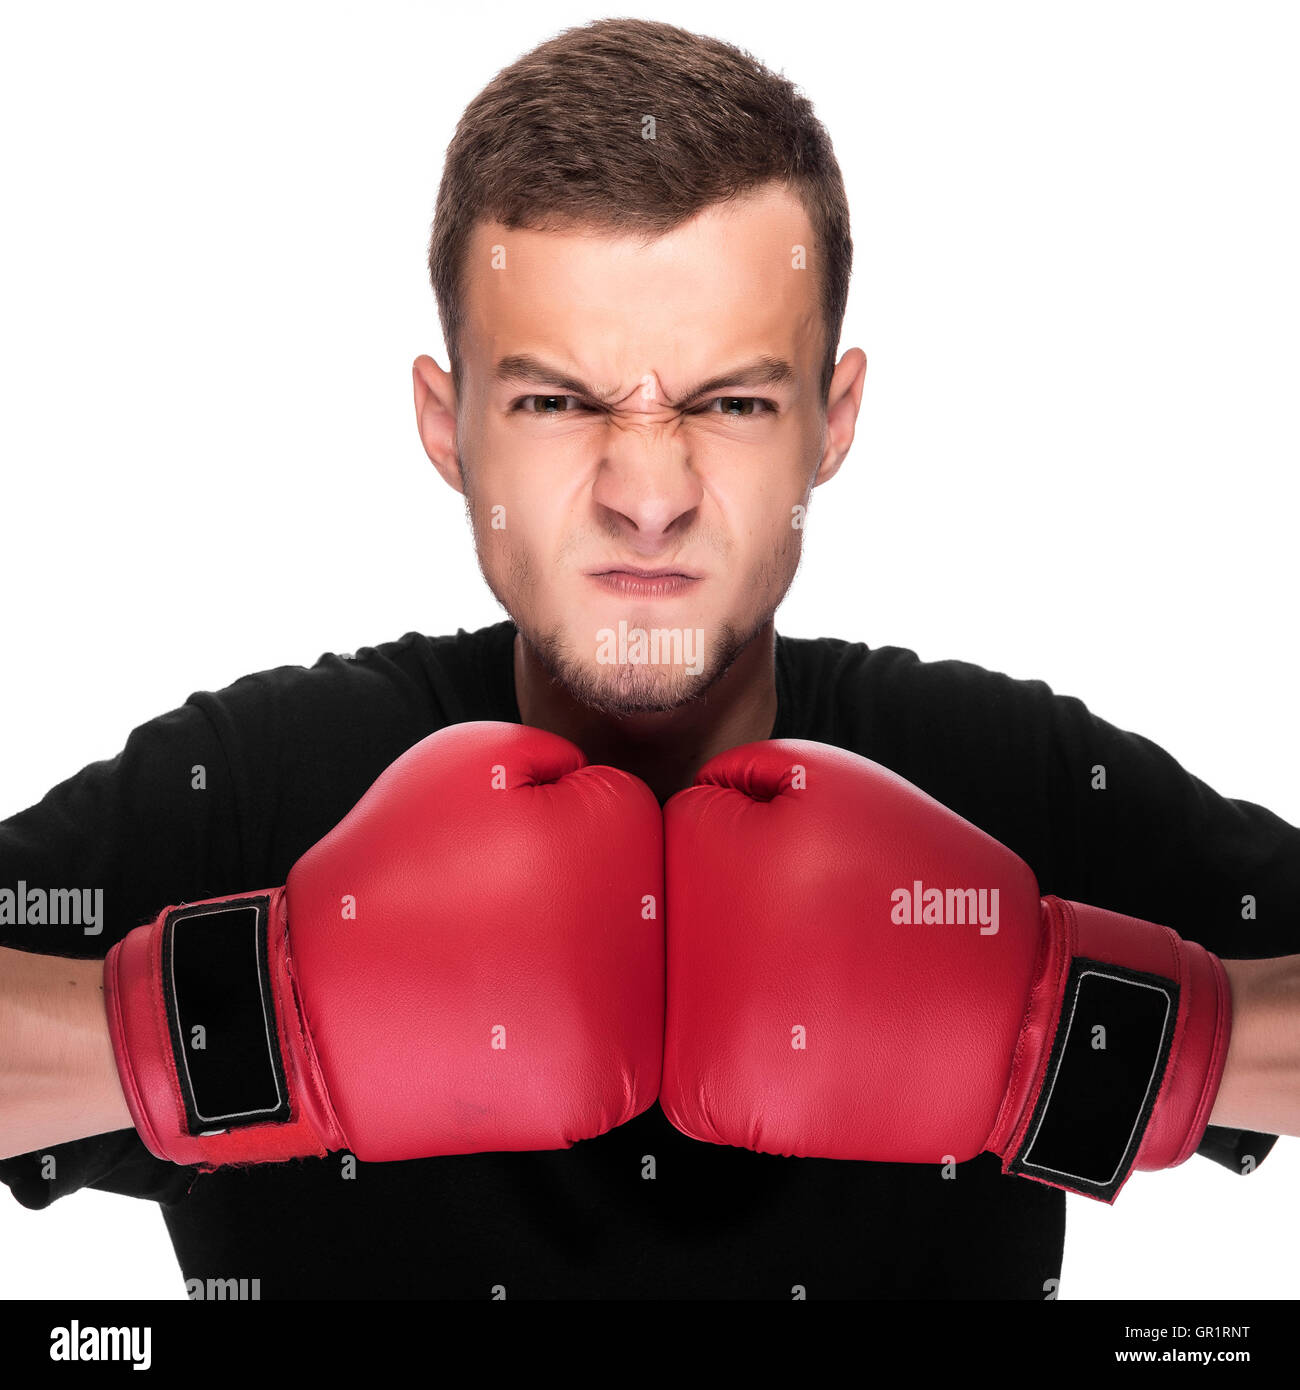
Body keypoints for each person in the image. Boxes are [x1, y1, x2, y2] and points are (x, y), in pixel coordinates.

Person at [1, 18, 1294, 1300]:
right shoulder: (255, 788)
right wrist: (247, 1027)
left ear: (831, 423)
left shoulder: (1006, 778)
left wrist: (1092, 1033)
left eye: (730, 402)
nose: (648, 494)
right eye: (557, 401)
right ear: (447, 426)